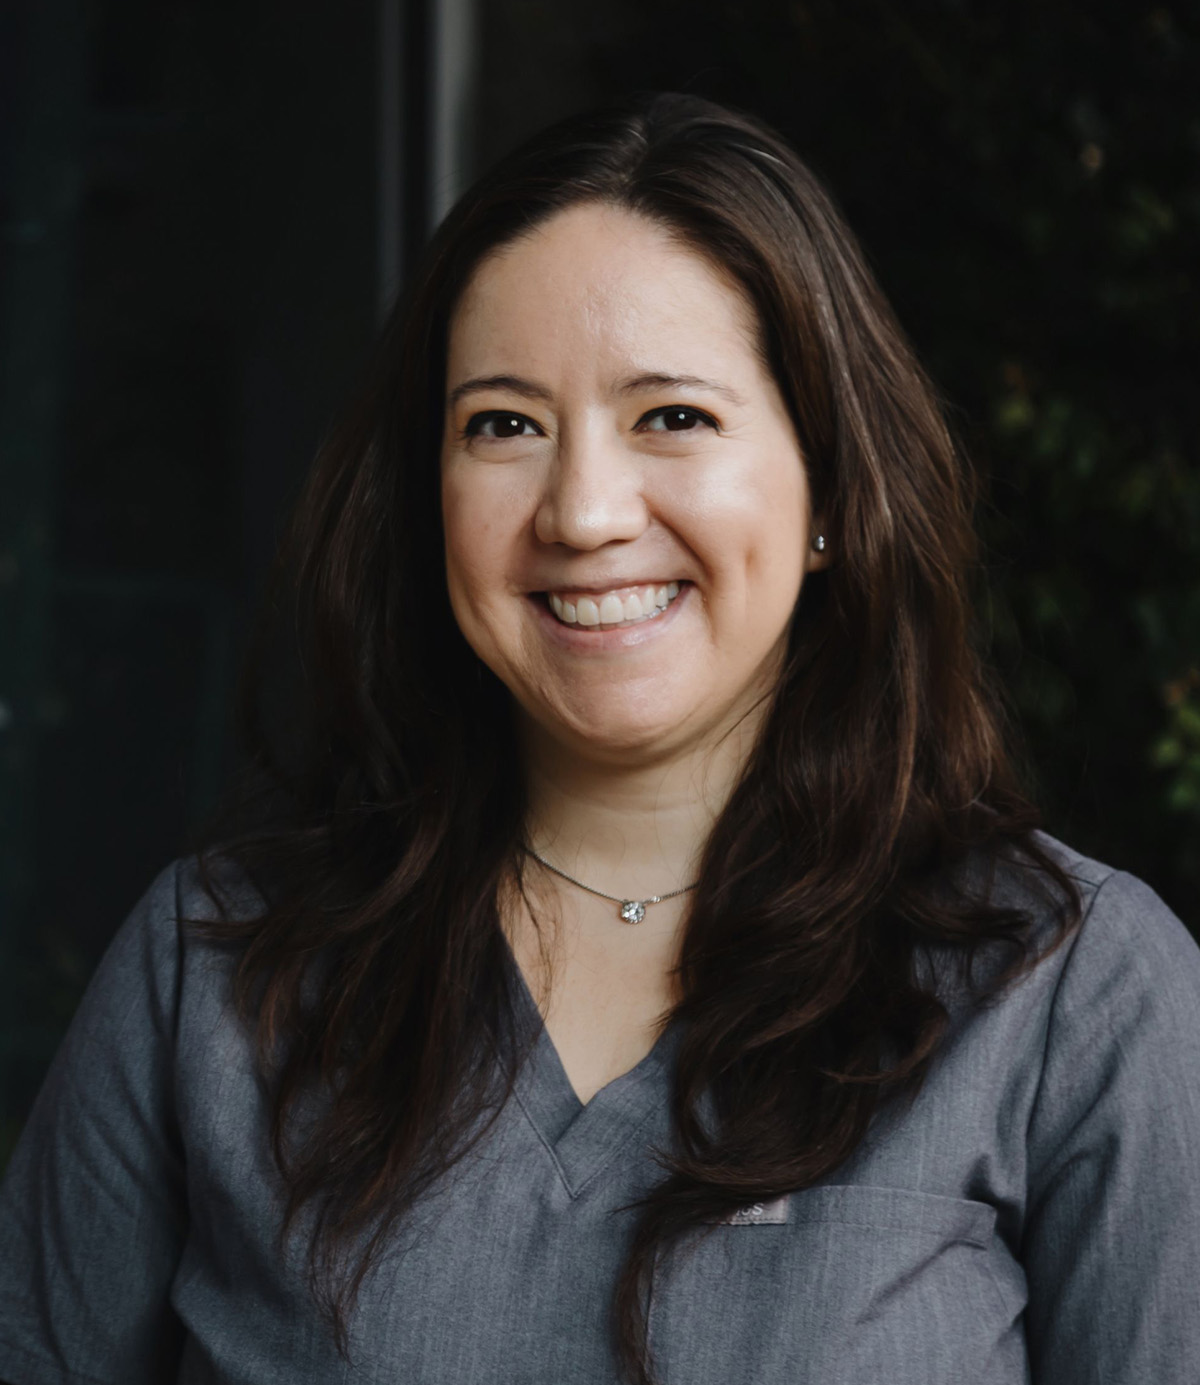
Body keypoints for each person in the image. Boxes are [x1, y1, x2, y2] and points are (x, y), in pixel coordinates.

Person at [1, 90, 1198, 1385]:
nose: (581, 509)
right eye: (503, 424)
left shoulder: (1076, 993)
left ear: (832, 497)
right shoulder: (214, 973)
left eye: (672, 415)